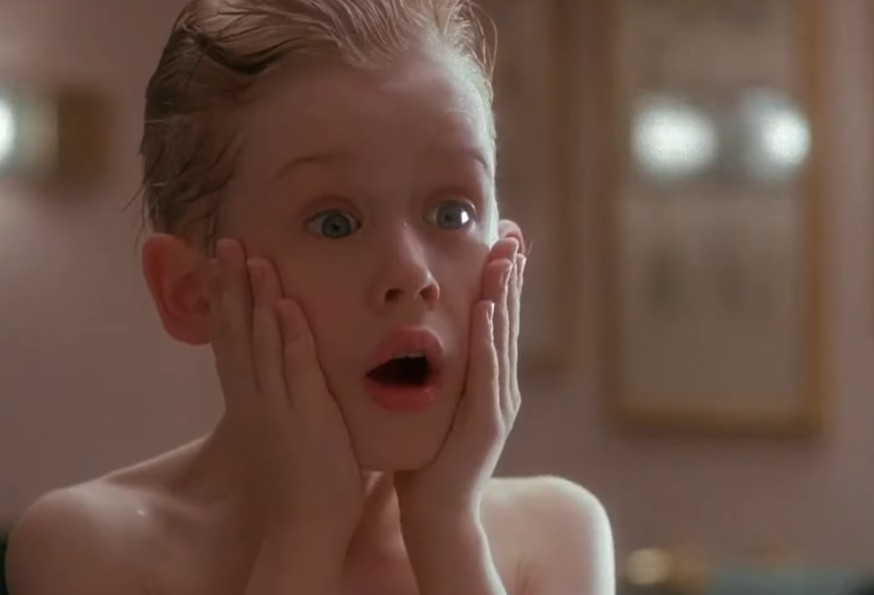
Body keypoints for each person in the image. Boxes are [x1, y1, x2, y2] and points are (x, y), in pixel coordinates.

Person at [5, 0, 616, 593]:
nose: (411, 274)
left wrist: (447, 530)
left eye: (452, 213)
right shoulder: (89, 549)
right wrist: (307, 530)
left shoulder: (556, 537)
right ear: (192, 293)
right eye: (335, 224)